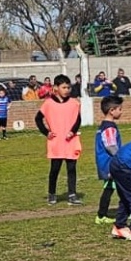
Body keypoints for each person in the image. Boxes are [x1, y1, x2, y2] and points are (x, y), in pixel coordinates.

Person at [35, 74, 83, 206]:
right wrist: (46, 132)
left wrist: (72, 131)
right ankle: (52, 193)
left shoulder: (74, 103)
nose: (67, 90)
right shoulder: (48, 103)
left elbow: (78, 120)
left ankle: (72, 194)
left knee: (72, 168)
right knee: (55, 169)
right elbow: (38, 119)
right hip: (56, 142)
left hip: (71, 141)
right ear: (56, 88)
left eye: (68, 87)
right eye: (64, 87)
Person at [94, 95, 124, 225]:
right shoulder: (109, 127)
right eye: (120, 109)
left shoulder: (105, 126)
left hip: (108, 163)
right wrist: (122, 158)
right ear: (112, 110)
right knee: (117, 186)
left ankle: (127, 210)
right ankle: (101, 215)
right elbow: (111, 146)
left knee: (113, 187)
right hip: (110, 163)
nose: (121, 111)